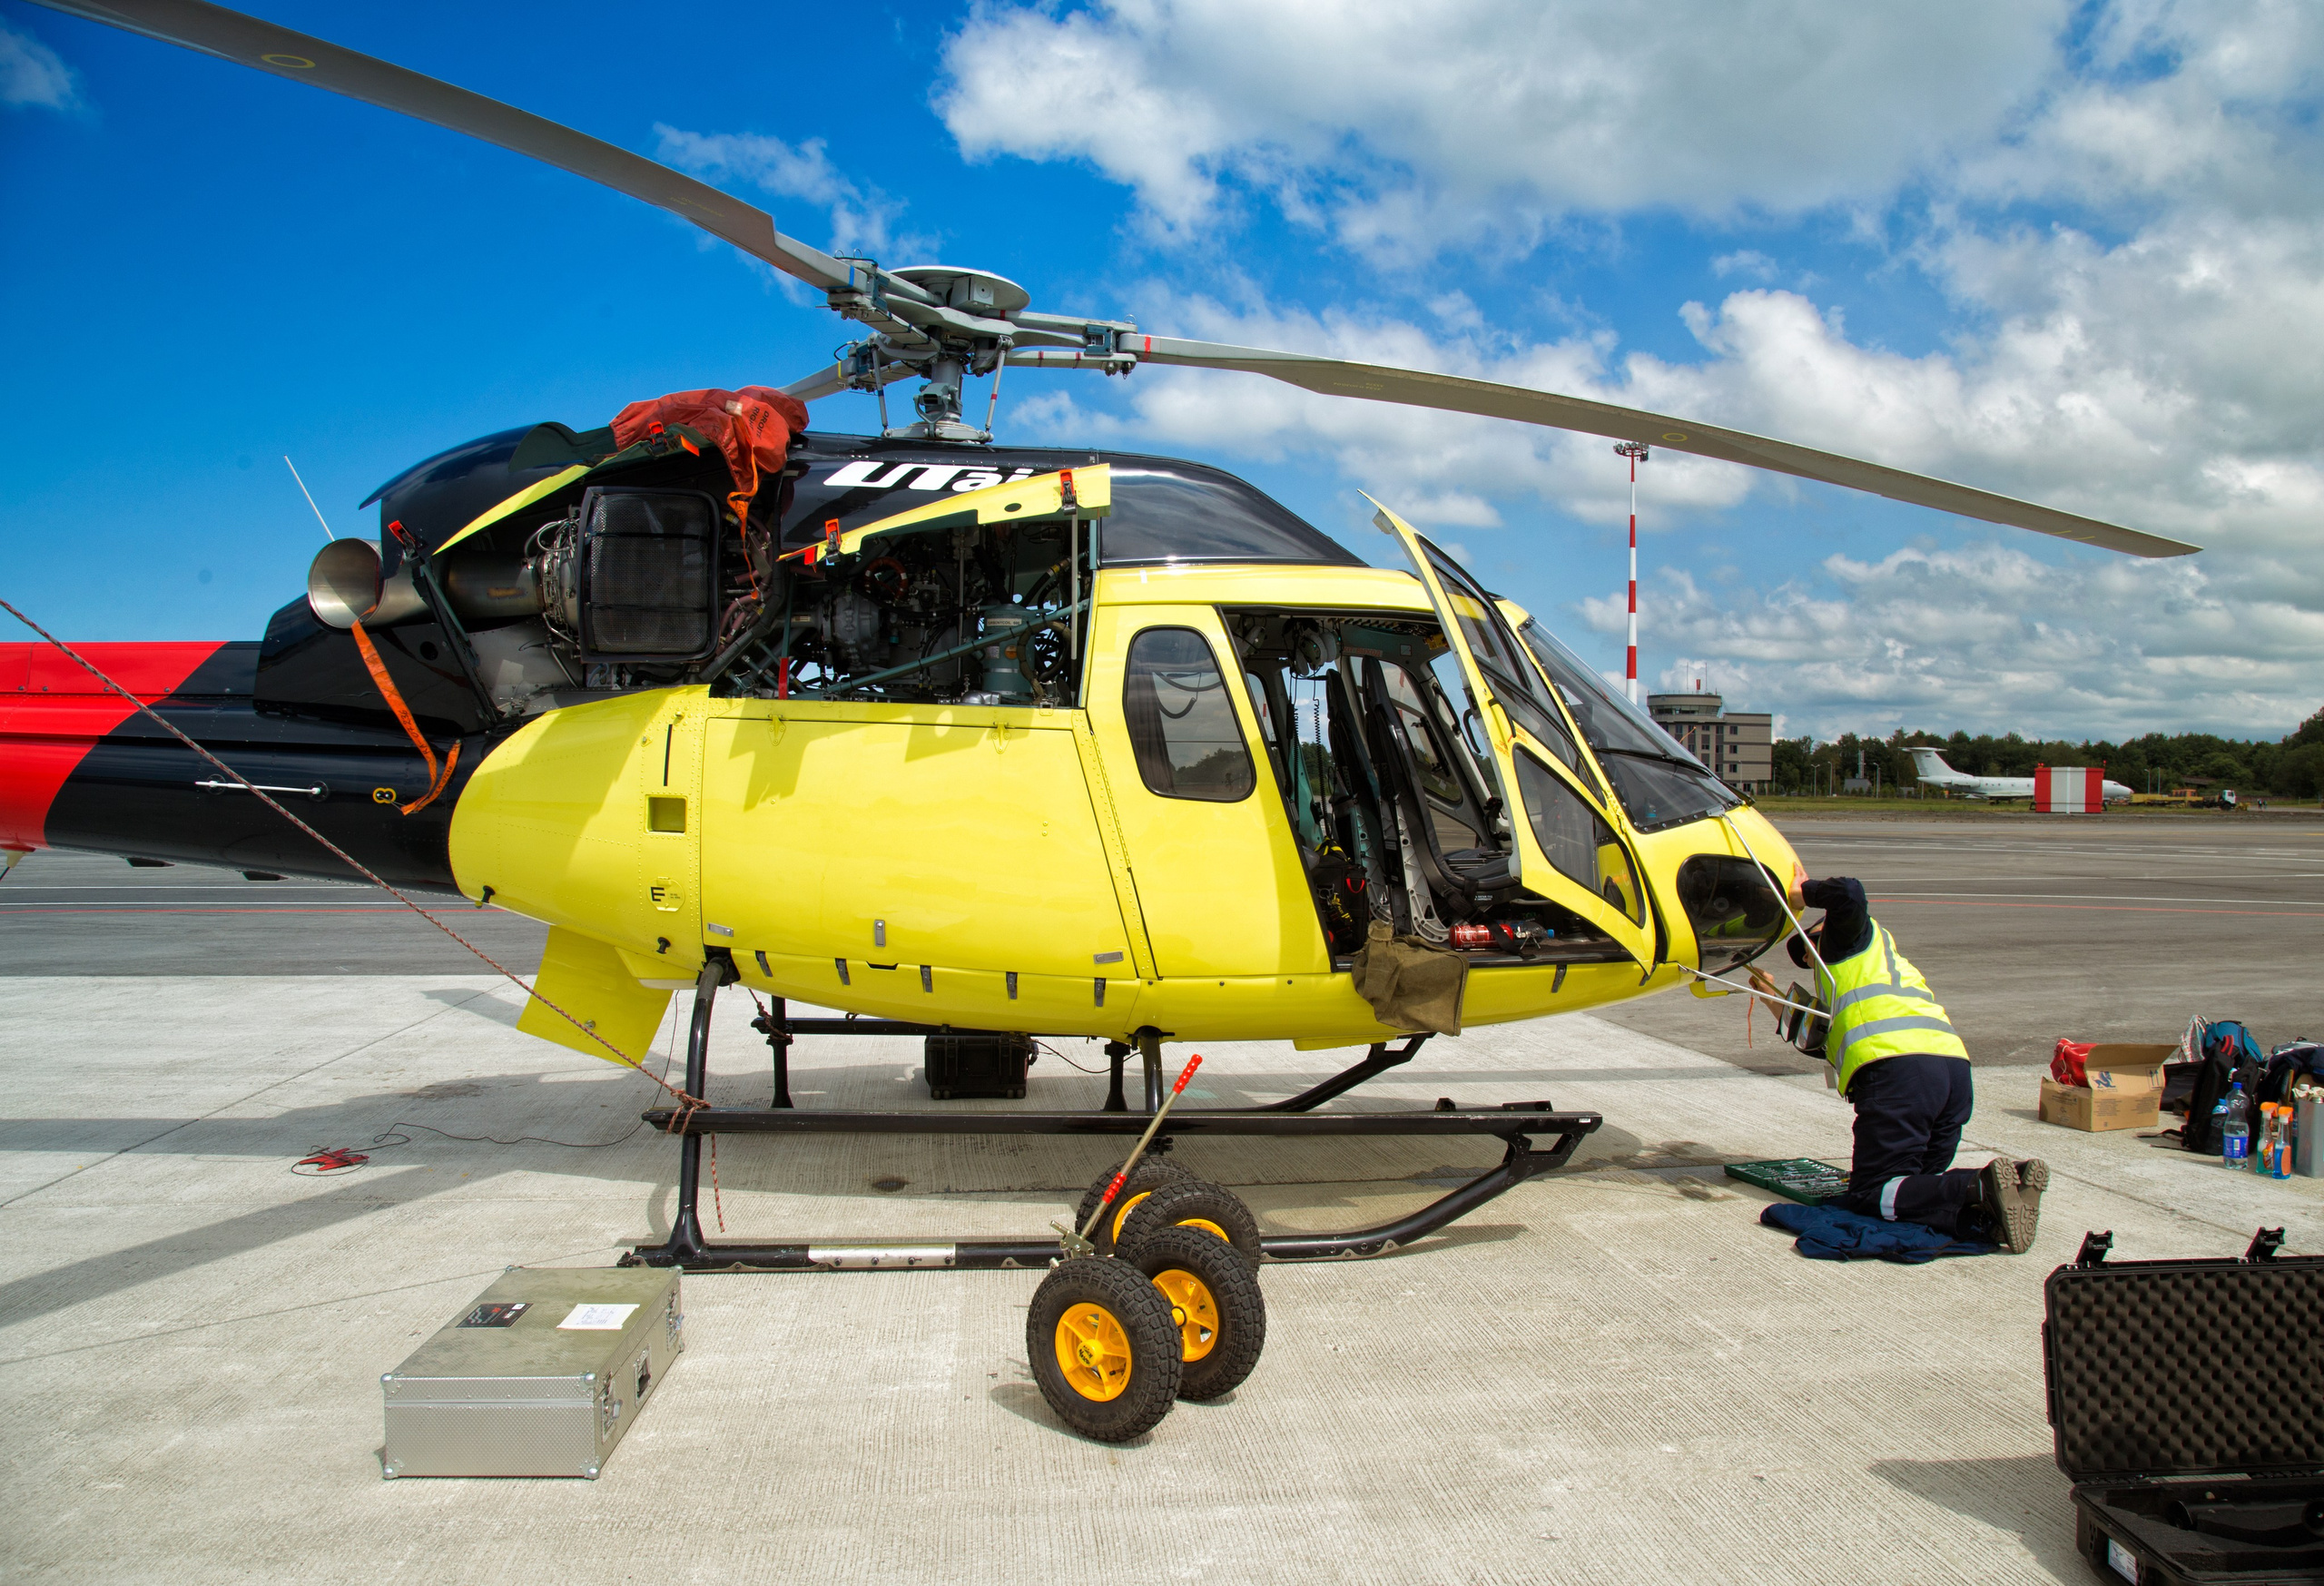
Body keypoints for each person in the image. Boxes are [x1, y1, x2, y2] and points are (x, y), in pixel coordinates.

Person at [1748, 875, 2047, 1253]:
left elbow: (1848, 894)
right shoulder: (1878, 974)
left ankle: (1981, 1185)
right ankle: (2000, 1197)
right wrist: (1769, 995)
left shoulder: (1845, 943)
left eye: (1807, 947)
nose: (1806, 958)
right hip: (1952, 1073)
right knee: (1914, 1189)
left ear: (1824, 934)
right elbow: (1815, 1039)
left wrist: (1800, 892)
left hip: (1900, 1074)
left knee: (1873, 1193)